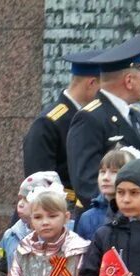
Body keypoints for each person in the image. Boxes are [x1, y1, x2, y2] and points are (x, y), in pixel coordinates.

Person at [66, 34, 140, 209]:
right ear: (129, 80)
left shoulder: (135, 116)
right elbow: (86, 183)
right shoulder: (89, 118)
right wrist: (121, 212)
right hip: (107, 223)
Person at [22, 49, 104, 205]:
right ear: (92, 83)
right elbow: (39, 184)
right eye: (104, 86)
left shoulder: (94, 118)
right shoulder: (48, 123)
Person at [77, 148, 134, 240]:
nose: (105, 178)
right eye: (102, 172)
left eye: (114, 172)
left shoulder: (138, 214)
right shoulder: (87, 217)